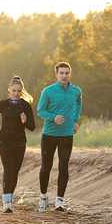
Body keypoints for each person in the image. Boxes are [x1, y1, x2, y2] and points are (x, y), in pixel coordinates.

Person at [37, 62, 82, 212]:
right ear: (56, 74)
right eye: (61, 73)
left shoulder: (76, 91)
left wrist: (75, 120)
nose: (64, 76)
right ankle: (43, 198)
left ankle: (59, 201)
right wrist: (53, 117)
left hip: (67, 135)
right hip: (49, 134)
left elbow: (79, 103)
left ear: (70, 74)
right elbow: (40, 110)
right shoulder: (48, 91)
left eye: (67, 73)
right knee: (46, 167)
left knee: (64, 167)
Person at [0, 76, 35, 213]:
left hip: (20, 142)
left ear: (22, 91)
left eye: (19, 91)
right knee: (8, 170)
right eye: (14, 90)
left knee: (15, 173)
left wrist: (24, 122)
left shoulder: (25, 106)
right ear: (9, 90)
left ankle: (10, 197)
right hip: (4, 140)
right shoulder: (2, 104)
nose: (16, 93)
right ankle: (6, 202)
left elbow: (32, 127)